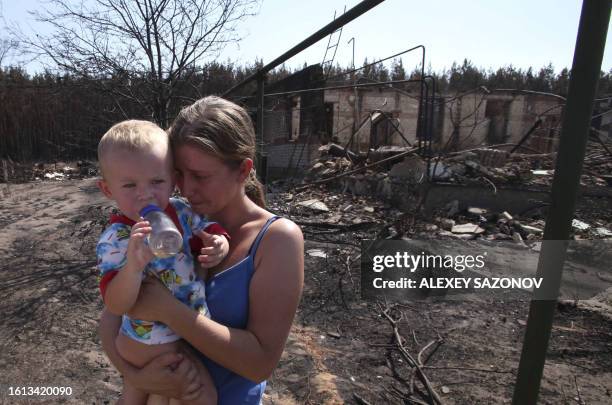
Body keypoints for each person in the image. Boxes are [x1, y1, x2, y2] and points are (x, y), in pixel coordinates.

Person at [99, 96, 304, 404]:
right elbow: (112, 319)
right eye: (178, 174)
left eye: (201, 176)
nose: (186, 189)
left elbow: (260, 364)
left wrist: (167, 310)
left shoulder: (276, 239)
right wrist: (137, 376)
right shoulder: (171, 223)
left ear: (243, 170)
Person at [96, 120, 231, 405]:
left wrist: (219, 242)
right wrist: (132, 268)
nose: (145, 194)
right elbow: (116, 305)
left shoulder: (180, 212)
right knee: (202, 396)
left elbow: (206, 231)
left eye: (156, 182)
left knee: (137, 397)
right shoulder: (117, 239)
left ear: (171, 178)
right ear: (108, 191)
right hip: (147, 341)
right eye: (130, 185)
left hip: (175, 333)